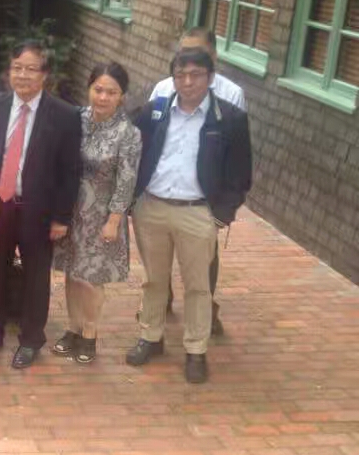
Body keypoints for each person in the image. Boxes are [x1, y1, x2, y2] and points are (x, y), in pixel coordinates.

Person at [127, 48, 252, 383]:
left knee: (198, 286)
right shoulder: (155, 111)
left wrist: (220, 216)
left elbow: (240, 175)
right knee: (154, 279)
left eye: (195, 74)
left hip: (197, 213)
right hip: (152, 208)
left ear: (210, 78)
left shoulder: (229, 119)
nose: (187, 82)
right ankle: (150, 337)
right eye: (180, 75)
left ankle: (196, 349)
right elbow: (128, 146)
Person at [0, 41, 82, 369]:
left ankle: (31, 339)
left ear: (44, 75)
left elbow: (70, 171)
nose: (22, 75)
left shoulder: (65, 115)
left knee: (36, 276)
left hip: (39, 210)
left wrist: (61, 218)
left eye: (31, 69)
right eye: (17, 68)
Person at [150, 27, 246, 333]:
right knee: (156, 264)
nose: (189, 61)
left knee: (203, 266)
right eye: (183, 52)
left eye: (198, 52)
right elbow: (147, 136)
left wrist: (222, 211)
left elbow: (236, 155)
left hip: (202, 201)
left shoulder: (231, 94)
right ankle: (160, 307)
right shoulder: (163, 88)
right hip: (161, 195)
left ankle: (205, 316)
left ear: (213, 57)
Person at [52, 63, 141, 364]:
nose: (103, 97)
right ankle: (72, 327)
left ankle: (89, 333)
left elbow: (126, 181)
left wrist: (114, 220)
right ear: (89, 89)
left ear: (121, 96)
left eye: (111, 92)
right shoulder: (75, 119)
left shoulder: (128, 133)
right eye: (98, 90)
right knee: (72, 272)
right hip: (70, 210)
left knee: (91, 278)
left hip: (101, 216)